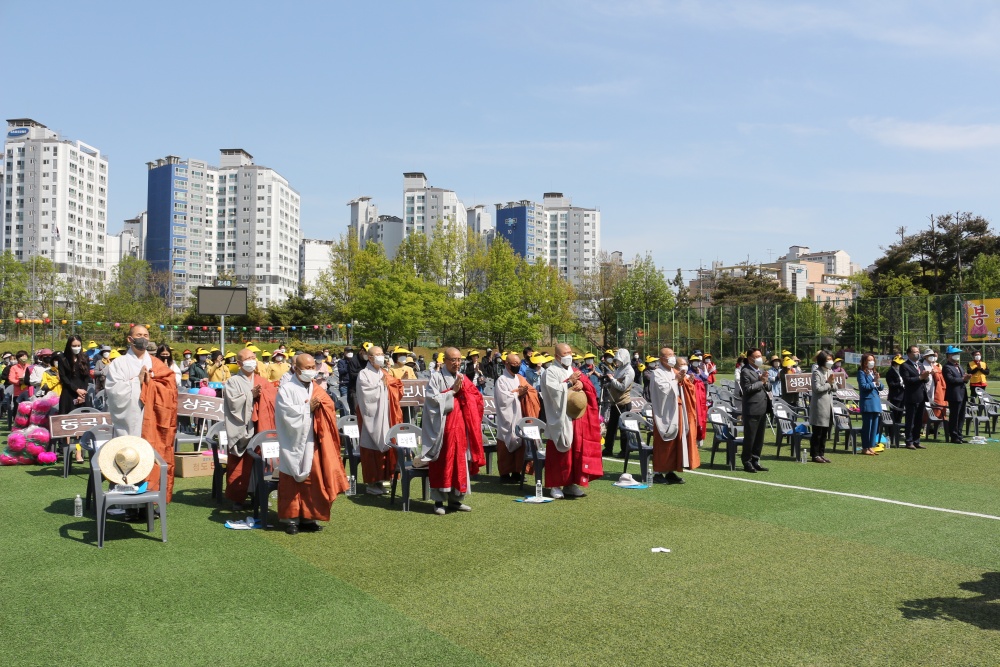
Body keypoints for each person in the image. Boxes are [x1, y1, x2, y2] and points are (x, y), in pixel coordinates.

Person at [275, 354, 350, 534]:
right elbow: (285, 415)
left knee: (314, 479)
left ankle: (309, 517)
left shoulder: (316, 388)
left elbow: (329, 406)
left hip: (313, 441)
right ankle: (291, 519)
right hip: (292, 442)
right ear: (297, 368)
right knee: (291, 481)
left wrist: (320, 408)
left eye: (313, 367)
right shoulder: (287, 389)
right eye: (307, 368)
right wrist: (306, 409)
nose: (311, 371)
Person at [104, 325, 178, 501]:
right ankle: (126, 504)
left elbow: (170, 388)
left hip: (153, 419)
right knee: (128, 458)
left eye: (146, 335)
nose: (143, 338)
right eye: (138, 335)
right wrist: (137, 382)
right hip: (131, 420)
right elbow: (114, 392)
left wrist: (151, 384)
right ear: (130, 339)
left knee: (153, 456)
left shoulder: (156, 363)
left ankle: (152, 500)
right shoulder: (119, 363)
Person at [418, 347, 485, 515]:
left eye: (459, 360)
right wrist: (453, 391)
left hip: (461, 427)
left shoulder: (463, 378)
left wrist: (468, 397)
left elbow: (476, 397)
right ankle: (438, 501)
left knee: (460, 462)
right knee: (442, 462)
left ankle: (456, 500)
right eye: (453, 360)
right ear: (445, 361)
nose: (456, 363)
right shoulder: (436, 377)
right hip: (443, 428)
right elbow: (432, 401)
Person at [539, 343, 603, 499]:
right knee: (559, 452)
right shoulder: (550, 372)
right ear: (556, 356)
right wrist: (569, 382)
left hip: (575, 417)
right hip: (560, 418)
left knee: (574, 452)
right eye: (565, 353)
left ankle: (570, 484)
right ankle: (555, 485)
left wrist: (580, 384)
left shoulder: (573, 370)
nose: (569, 356)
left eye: (570, 352)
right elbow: (554, 392)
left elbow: (584, 387)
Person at [222, 348, 277, 508]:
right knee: (239, 464)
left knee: (260, 463)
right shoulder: (233, 382)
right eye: (247, 358)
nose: (252, 361)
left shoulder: (263, 380)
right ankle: (238, 498)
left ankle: (259, 495)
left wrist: (265, 396)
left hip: (261, 426)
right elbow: (233, 405)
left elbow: (273, 399)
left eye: (254, 357)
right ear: (239, 363)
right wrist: (250, 395)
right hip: (243, 428)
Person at [648, 348, 701, 484]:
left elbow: (682, 384)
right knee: (663, 442)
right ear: (661, 358)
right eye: (669, 356)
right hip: (665, 412)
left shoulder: (673, 371)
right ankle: (658, 472)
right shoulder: (657, 373)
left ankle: (671, 471)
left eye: (673, 355)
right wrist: (677, 380)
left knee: (676, 441)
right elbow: (663, 390)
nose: (672, 358)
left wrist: (686, 381)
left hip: (677, 410)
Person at [356, 346, 403, 496]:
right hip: (371, 417)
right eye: (377, 355)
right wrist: (381, 386)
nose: (381, 357)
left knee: (386, 446)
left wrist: (389, 386)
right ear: (369, 358)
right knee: (371, 449)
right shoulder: (364, 374)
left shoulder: (384, 372)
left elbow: (395, 389)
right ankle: (371, 483)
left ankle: (382, 480)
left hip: (385, 416)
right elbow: (366, 395)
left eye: (382, 354)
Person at [492, 352, 540, 482]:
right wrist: (517, 393)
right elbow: (502, 399)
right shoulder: (501, 380)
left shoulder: (520, 378)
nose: (517, 366)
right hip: (507, 417)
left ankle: (517, 472)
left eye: (519, 364)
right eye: (514, 364)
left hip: (520, 414)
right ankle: (505, 474)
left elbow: (532, 391)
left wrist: (524, 393)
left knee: (521, 445)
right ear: (506, 364)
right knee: (505, 446)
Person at [739, 348, 770, 472]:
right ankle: (747, 461)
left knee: (759, 438)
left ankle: (756, 460)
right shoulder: (745, 371)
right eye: (756, 356)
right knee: (750, 437)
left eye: (760, 356)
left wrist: (765, 382)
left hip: (762, 408)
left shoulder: (760, 370)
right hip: (751, 408)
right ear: (750, 358)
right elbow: (746, 389)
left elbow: (768, 386)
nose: (759, 358)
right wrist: (761, 382)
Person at [601, 348, 635, 457]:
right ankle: (608, 448)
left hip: (623, 402)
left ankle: (625, 450)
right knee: (611, 427)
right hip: (614, 402)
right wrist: (608, 384)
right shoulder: (619, 369)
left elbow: (622, 387)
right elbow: (615, 383)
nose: (617, 362)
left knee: (624, 428)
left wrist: (612, 380)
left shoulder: (629, 371)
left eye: (619, 359)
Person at [900, 345, 930, 450]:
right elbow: (907, 380)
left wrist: (925, 377)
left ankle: (916, 441)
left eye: (918, 351)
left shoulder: (921, 365)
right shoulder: (904, 366)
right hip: (911, 396)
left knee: (919, 420)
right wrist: (920, 377)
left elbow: (925, 380)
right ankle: (909, 441)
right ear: (908, 354)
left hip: (921, 396)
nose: (917, 354)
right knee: (910, 420)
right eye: (914, 352)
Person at [808, 350, 836, 463]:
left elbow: (835, 387)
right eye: (828, 359)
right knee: (817, 432)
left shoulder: (830, 371)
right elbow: (817, 388)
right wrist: (829, 383)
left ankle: (821, 453)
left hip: (828, 405)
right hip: (819, 406)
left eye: (831, 359)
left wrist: (831, 384)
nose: (830, 362)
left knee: (825, 432)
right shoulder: (817, 372)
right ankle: (815, 455)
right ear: (822, 360)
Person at [857, 353, 884, 456]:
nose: (871, 362)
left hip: (876, 402)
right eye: (869, 360)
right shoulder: (861, 373)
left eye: (872, 360)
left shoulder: (874, 372)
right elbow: (863, 386)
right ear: (864, 362)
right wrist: (874, 383)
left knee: (874, 427)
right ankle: (865, 447)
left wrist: (877, 382)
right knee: (867, 426)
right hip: (867, 402)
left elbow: (881, 387)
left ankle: (871, 446)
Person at [942, 346, 970, 443]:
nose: (957, 356)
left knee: (961, 416)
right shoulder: (946, 367)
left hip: (962, 394)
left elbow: (962, 379)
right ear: (949, 355)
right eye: (954, 354)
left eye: (957, 354)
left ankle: (959, 434)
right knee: (954, 416)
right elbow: (950, 380)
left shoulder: (959, 366)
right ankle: (954, 436)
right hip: (954, 395)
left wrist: (966, 378)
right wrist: (963, 379)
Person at [57, 336, 90, 415]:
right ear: (69, 346)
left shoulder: (84, 358)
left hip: (83, 392)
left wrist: (82, 393)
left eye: (79, 345)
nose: (77, 348)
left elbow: (86, 377)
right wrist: (76, 390)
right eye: (74, 346)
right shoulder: (62, 358)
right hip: (68, 392)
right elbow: (63, 377)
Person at [885, 355, 905, 426]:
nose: (900, 365)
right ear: (894, 363)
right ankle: (892, 432)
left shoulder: (901, 372)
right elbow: (891, 385)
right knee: (894, 415)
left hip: (902, 396)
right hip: (895, 397)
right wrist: (900, 383)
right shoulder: (890, 372)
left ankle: (898, 431)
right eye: (899, 364)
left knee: (900, 415)